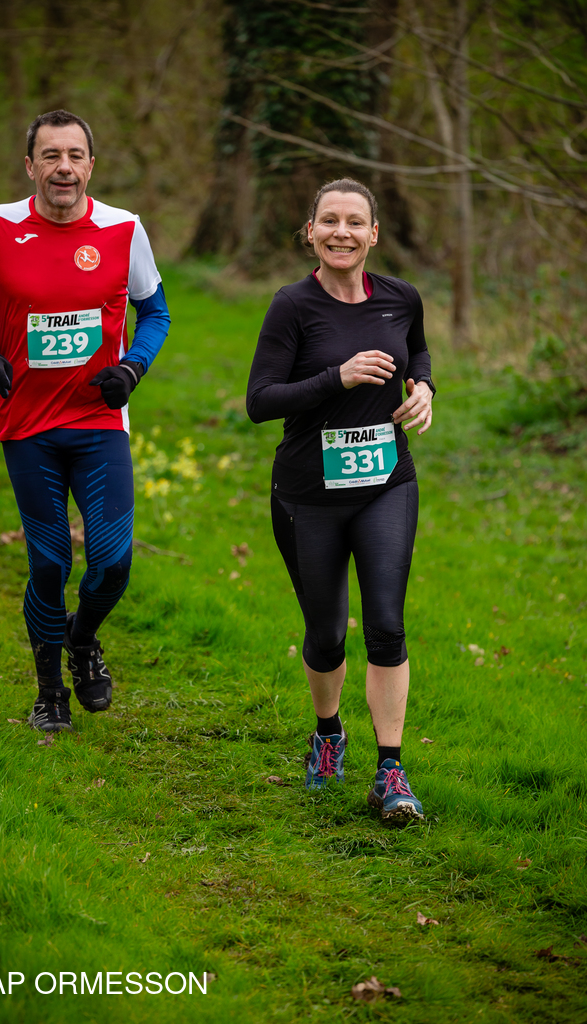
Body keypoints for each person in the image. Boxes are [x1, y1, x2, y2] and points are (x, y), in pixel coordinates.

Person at [0, 109, 170, 732]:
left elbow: (155, 314)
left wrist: (132, 368)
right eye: (51, 155)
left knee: (113, 562)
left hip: (99, 422)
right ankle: (50, 693)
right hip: (28, 426)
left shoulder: (123, 228)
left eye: (75, 155)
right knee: (49, 564)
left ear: (91, 166)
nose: (63, 168)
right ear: (31, 166)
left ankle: (81, 639)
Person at [246, 178, 434, 820]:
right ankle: (328, 733)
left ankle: (391, 771)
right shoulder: (291, 306)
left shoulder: (401, 298)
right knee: (327, 636)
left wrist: (425, 387)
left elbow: (419, 351)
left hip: (386, 484)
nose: (342, 232)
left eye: (355, 221)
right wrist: (339, 376)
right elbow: (260, 401)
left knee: (386, 624)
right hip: (309, 494)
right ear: (311, 232)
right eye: (329, 220)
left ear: (373, 234)